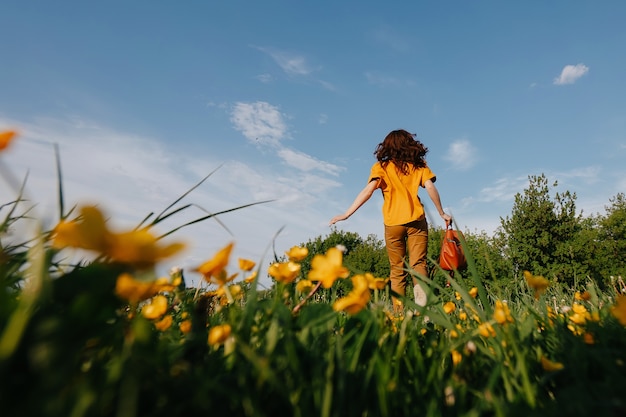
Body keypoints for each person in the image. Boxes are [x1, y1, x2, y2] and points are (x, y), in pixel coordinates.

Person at [330, 129, 452, 310]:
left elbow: (368, 191)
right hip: (416, 222)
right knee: (418, 264)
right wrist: (441, 212)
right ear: (409, 144)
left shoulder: (381, 167)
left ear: (387, 147)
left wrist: (347, 214)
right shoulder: (419, 166)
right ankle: (424, 309)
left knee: (397, 269)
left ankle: (399, 314)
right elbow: (430, 187)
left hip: (393, 224)